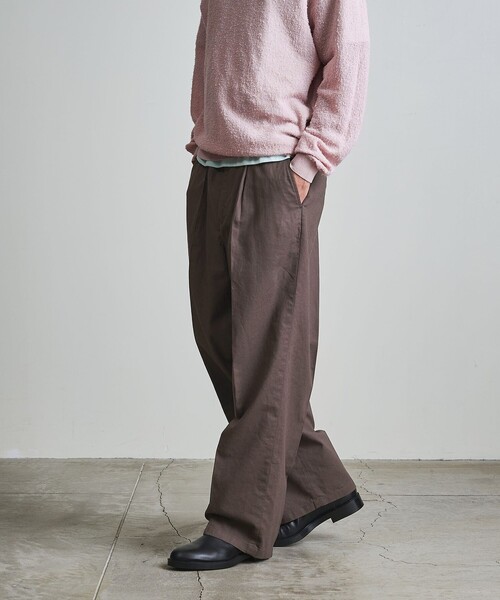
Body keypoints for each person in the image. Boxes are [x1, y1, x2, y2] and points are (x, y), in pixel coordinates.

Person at [168, 0, 371, 571]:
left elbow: (349, 52)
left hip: (277, 166)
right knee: (221, 340)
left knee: (265, 356)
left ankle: (240, 523)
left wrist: (312, 158)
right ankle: (311, 487)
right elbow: (212, 41)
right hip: (213, 164)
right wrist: (203, 131)